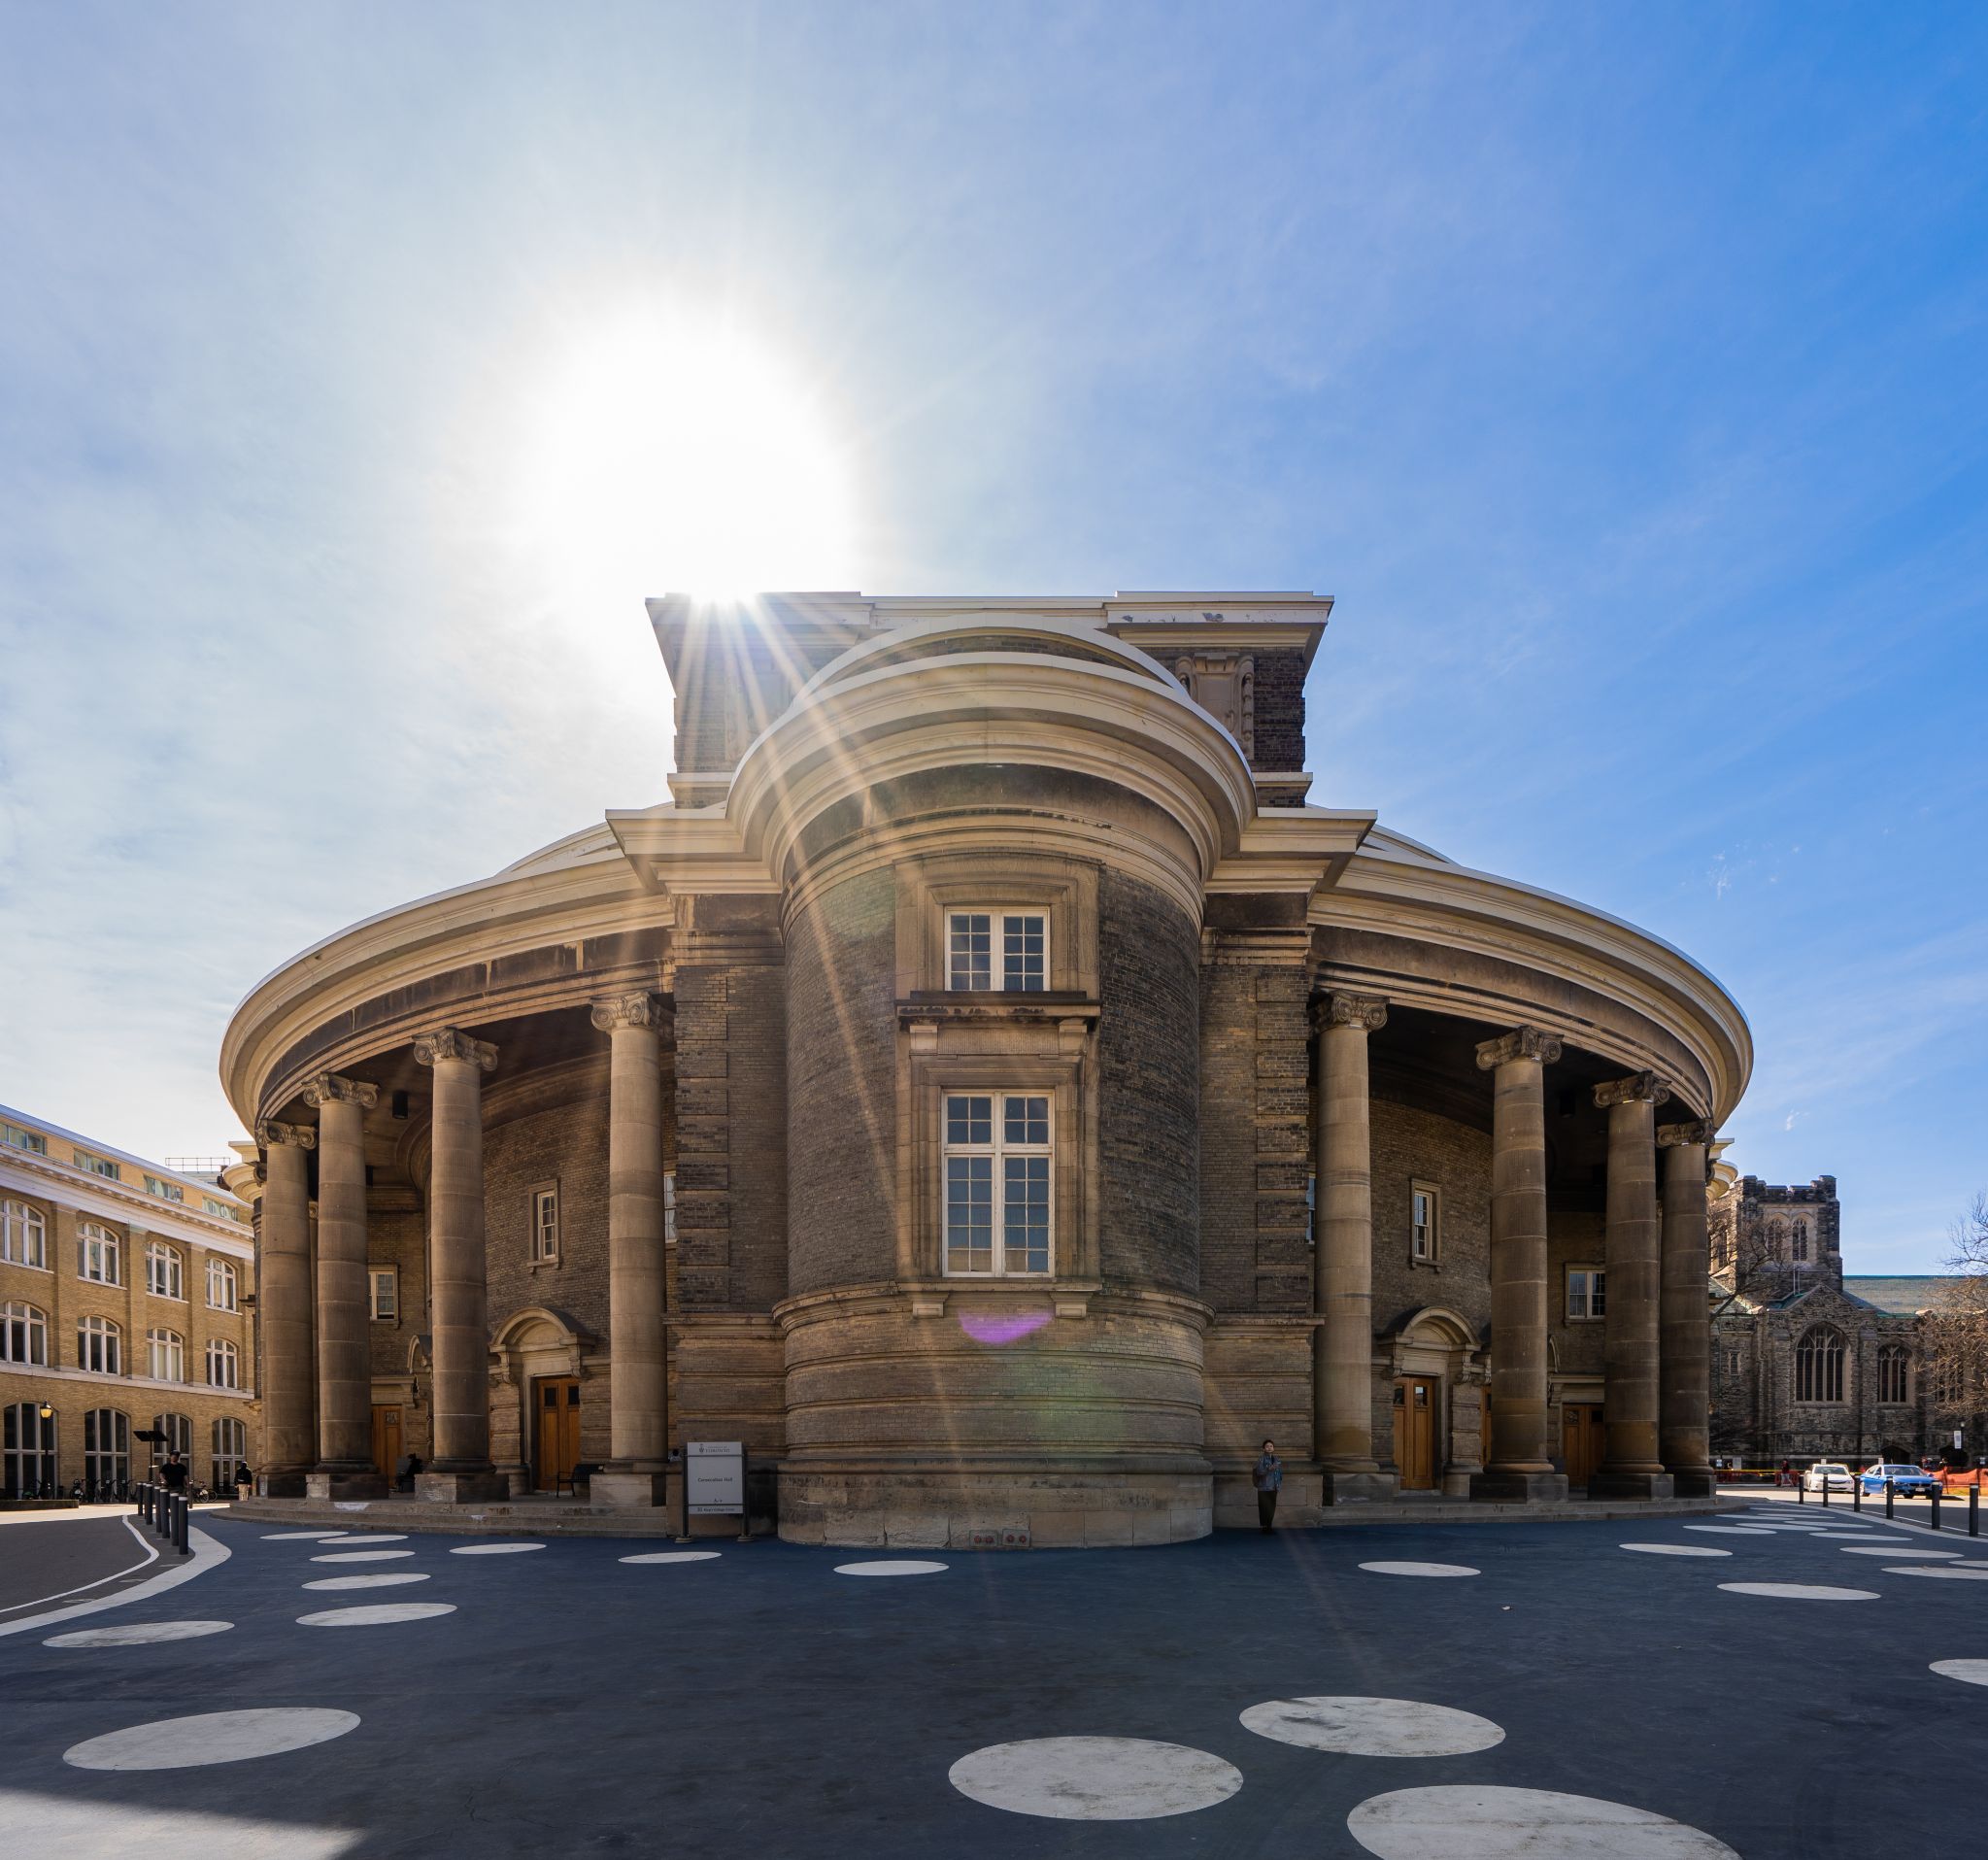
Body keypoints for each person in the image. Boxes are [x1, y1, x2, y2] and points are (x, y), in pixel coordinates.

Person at [1252, 1438, 1282, 1534]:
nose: (1269, 1448)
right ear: (1264, 1449)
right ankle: (1264, 1527)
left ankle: (1269, 1526)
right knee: (1263, 1508)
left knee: (1271, 1508)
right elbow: (1259, 1472)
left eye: (1271, 1446)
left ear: (1273, 1448)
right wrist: (1269, 1468)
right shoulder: (1261, 1459)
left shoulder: (1276, 1459)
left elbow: (1279, 1473)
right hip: (1264, 1488)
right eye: (1267, 1446)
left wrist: (1279, 1482)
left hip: (1274, 1487)